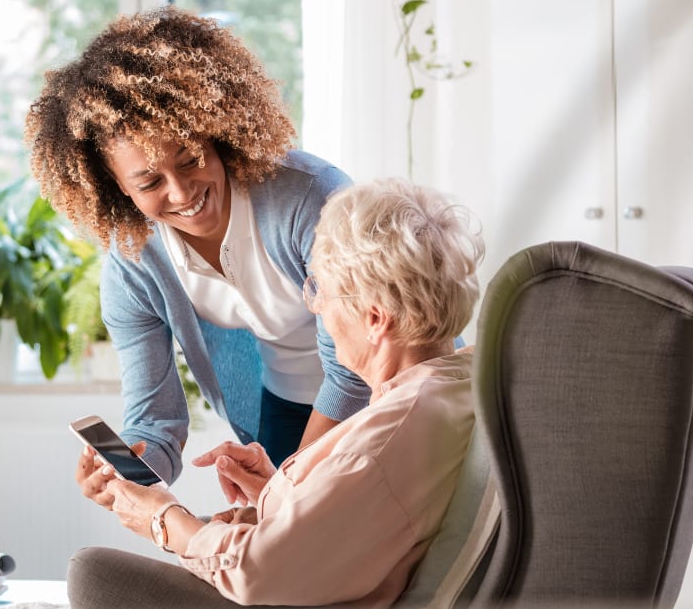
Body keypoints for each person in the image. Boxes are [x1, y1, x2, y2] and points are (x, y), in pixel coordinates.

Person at [67, 178, 486, 608]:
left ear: (375, 319)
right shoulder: (455, 385)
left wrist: (159, 516)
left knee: (94, 572)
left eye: (320, 289)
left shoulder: (386, 439)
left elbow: (256, 571)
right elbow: (362, 516)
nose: (315, 306)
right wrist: (279, 490)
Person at [25, 5, 369, 485]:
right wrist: (129, 474)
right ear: (115, 185)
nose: (182, 193)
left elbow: (358, 364)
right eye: (149, 183)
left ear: (214, 133)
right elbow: (156, 421)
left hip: (381, 395)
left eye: (189, 160)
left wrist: (290, 487)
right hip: (287, 410)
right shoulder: (134, 265)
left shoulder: (308, 197)